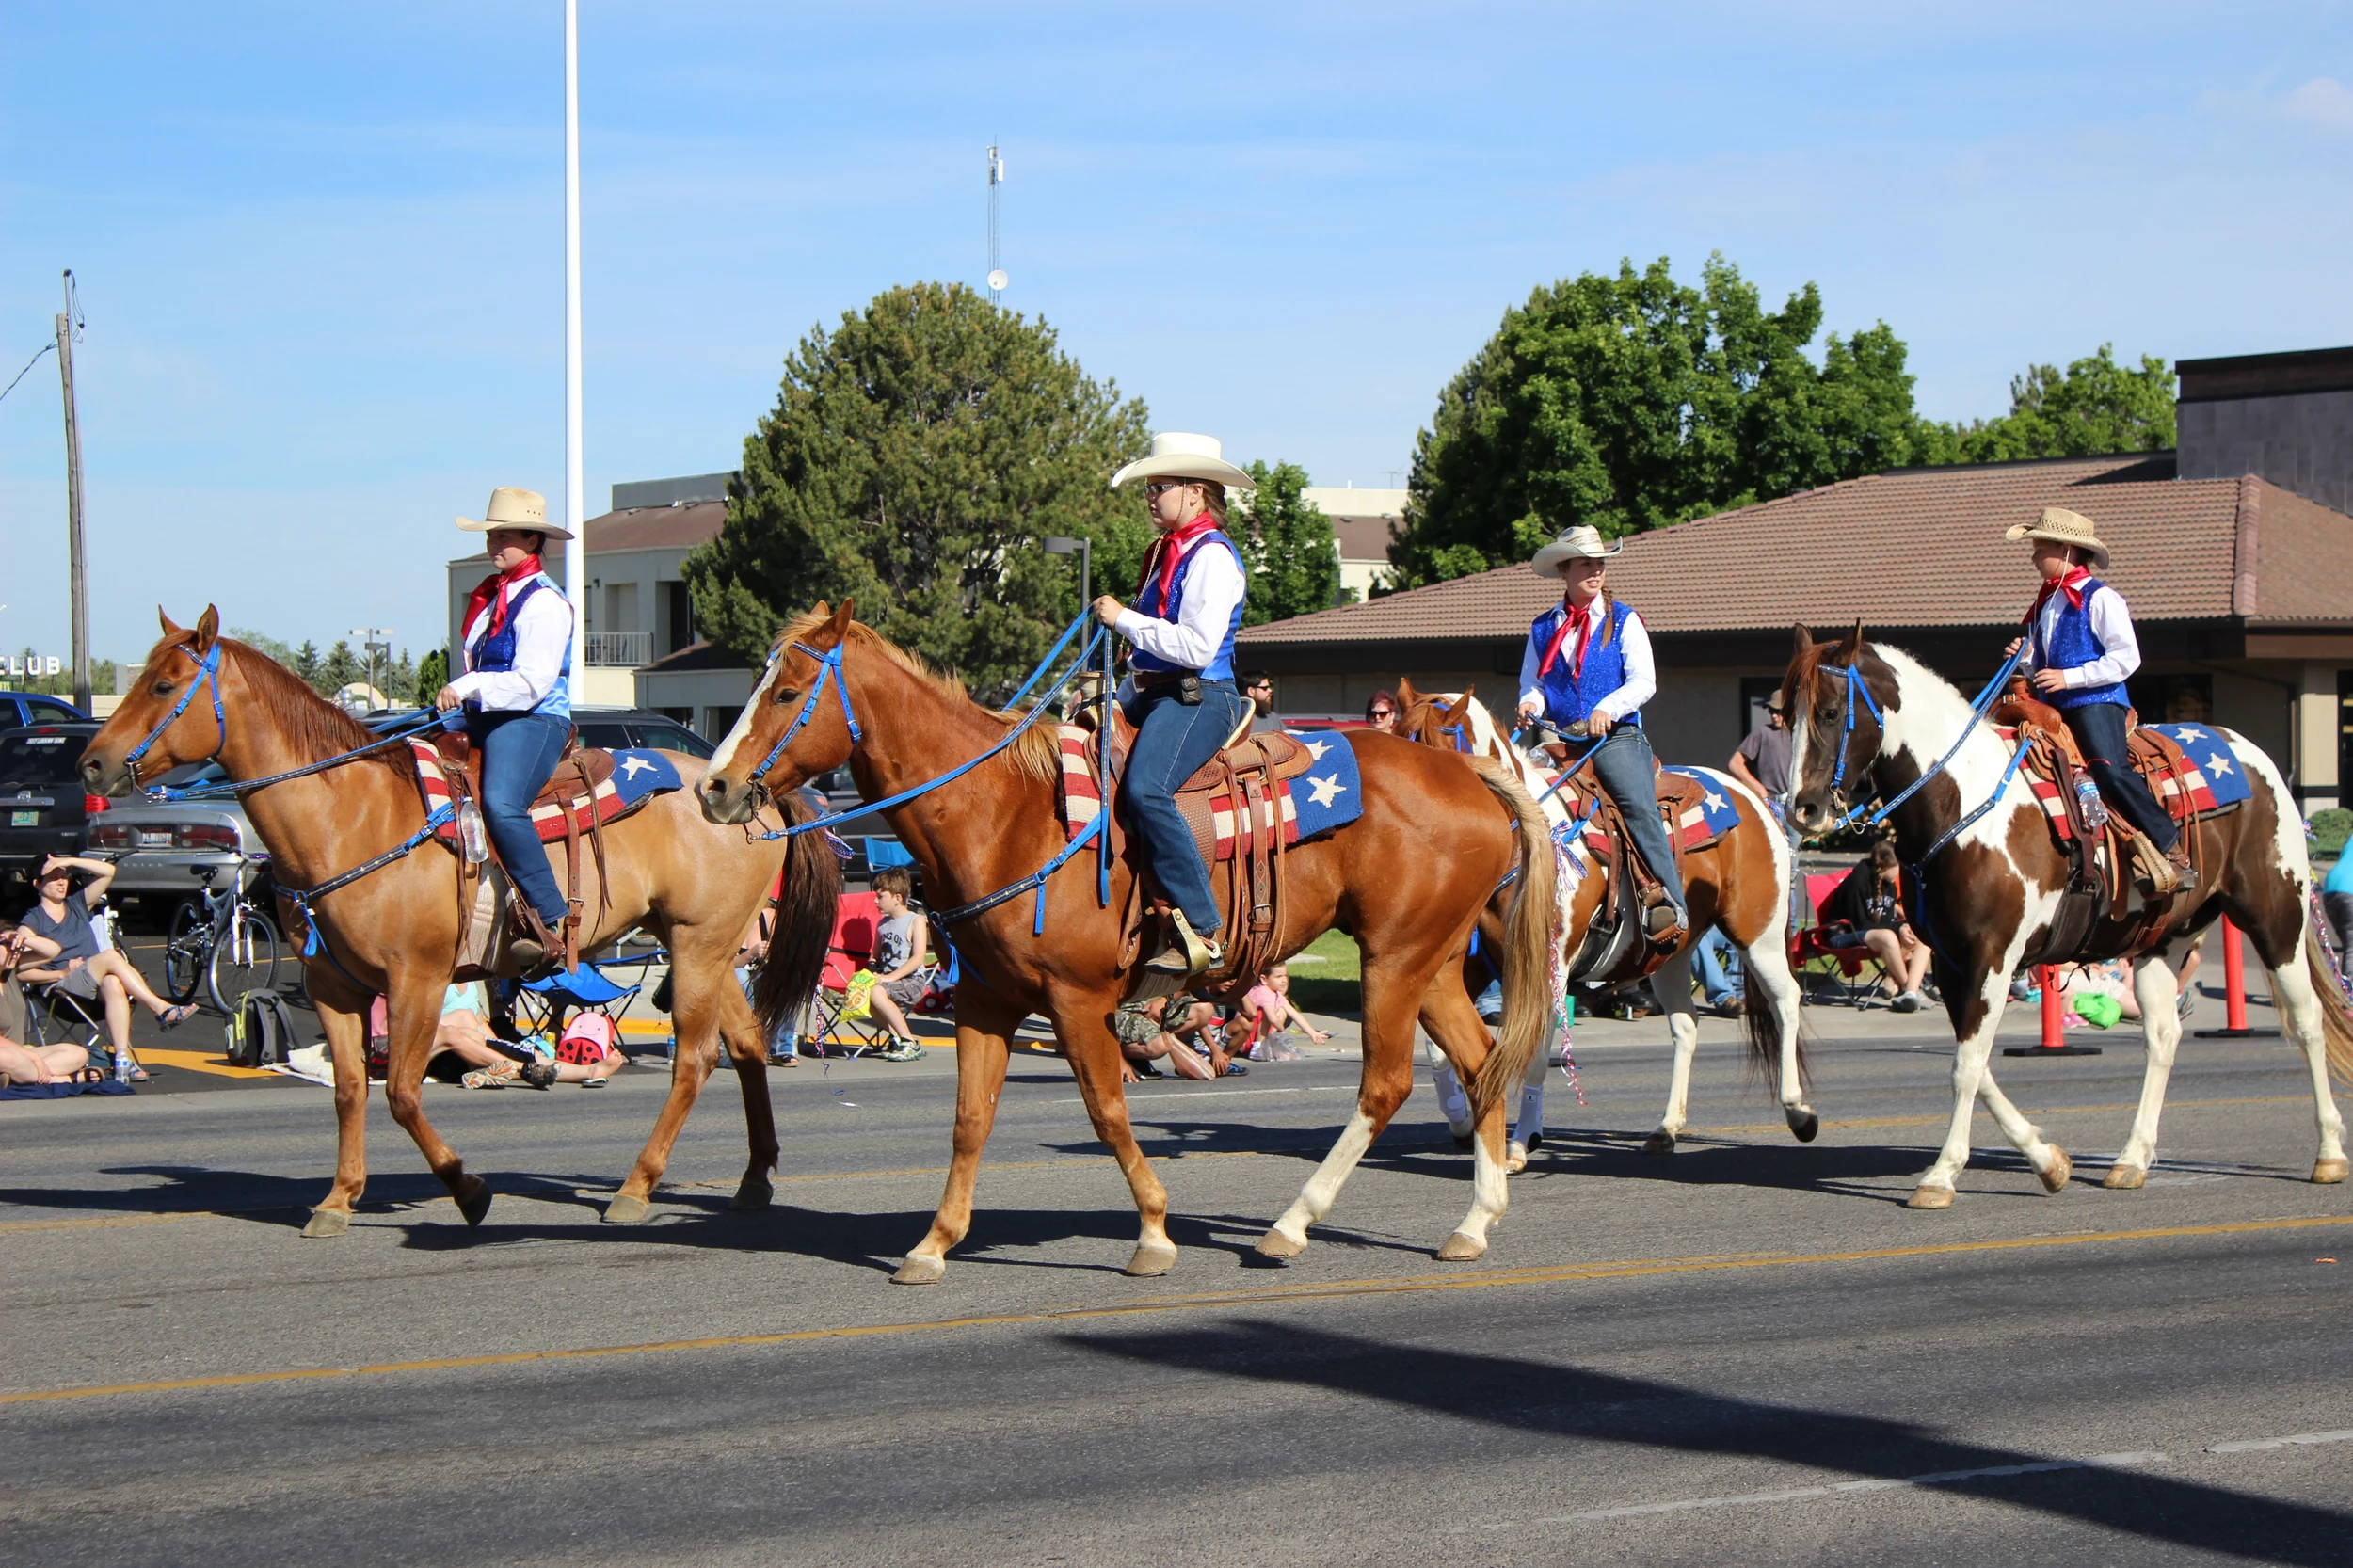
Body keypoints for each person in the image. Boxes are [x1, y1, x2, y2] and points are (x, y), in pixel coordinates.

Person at [1094, 433, 1257, 976]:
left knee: (1145, 787)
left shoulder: (1211, 556)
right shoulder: (1169, 551)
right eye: (1149, 487)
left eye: (1159, 487)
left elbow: (1196, 647)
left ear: (1195, 492)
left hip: (1202, 696)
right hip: (1155, 693)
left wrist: (1123, 619)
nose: (1150, 497)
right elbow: (1148, 654)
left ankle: (1204, 926)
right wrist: (1111, 696)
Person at [2001, 506, 2193, 895]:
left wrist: (2069, 677)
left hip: (2096, 700)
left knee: (2107, 767)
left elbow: (2127, 658)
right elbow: (2046, 661)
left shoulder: (2102, 598)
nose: (2034, 556)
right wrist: (2024, 659)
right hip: (2053, 704)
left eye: (2040, 548)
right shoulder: (2045, 603)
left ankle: (2170, 845)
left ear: (2067, 549)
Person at [1513, 524, 1685, 937]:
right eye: (1586, 564)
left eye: (1600, 564)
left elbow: (1645, 681)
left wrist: (1607, 707)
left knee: (1637, 806)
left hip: (1616, 738)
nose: (1596, 571)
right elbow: (1533, 683)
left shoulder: (1623, 620)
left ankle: (1672, 903)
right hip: (1558, 740)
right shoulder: (1542, 627)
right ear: (1564, 571)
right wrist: (1529, 704)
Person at [438, 486, 578, 970]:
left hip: (534, 718)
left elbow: (533, 683)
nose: (494, 544)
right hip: (488, 714)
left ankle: (548, 915)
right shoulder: (491, 596)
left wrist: (469, 685)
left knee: (501, 801)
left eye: (505, 536)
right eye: (491, 535)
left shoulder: (545, 603)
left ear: (533, 540)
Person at [18, 856, 192, 1081]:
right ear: (37, 884)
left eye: (64, 877)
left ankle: (122, 1059)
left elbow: (108, 871)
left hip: (95, 991)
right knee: (110, 956)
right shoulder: (32, 921)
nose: (62, 882)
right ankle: (161, 1009)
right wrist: (61, 973)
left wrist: (69, 861)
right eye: (53, 878)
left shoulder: (76, 904)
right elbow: (21, 971)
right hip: (62, 994)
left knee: (112, 982)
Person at [1821, 841, 1932, 1011]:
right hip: (1842, 935)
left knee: (1921, 936)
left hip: (1872, 935)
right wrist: (1897, 929)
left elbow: (1885, 921)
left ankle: (1911, 992)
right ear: (1886, 866)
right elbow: (1860, 924)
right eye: (1899, 867)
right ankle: (1907, 988)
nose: (1900, 872)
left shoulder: (1889, 885)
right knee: (1888, 937)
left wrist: (1903, 929)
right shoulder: (1857, 881)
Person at [863, 866, 934, 1063]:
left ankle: (908, 1041)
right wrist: (871, 967)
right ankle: (897, 1037)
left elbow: (918, 957)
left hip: (912, 981)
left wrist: (889, 978)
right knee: (862, 994)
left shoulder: (915, 920)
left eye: (881, 896)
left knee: (876, 992)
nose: (876, 901)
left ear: (898, 898)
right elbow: (874, 955)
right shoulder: (882, 924)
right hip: (886, 982)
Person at [1231, 963, 1331, 1056]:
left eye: (1285, 976)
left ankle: (1268, 1044)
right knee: (1269, 1013)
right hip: (1243, 1040)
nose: (1284, 980)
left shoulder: (1275, 993)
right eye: (1278, 977)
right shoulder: (1263, 993)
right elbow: (1272, 1018)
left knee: (1282, 1010)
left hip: (1251, 1035)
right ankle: (1258, 1048)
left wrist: (1312, 1033)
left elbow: (1294, 1014)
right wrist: (1281, 1030)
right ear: (1264, 979)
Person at [1727, 695, 1791, 815]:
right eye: (1771, 711)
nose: (1774, 715)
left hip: (1795, 806)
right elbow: (1735, 764)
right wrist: (1759, 788)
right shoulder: (1762, 733)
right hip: (1770, 804)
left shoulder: (1800, 735)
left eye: (1778, 711)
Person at [1240, 670, 1282, 736]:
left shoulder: (1273, 718)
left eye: (1269, 687)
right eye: (1265, 688)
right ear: (1251, 691)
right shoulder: (1237, 720)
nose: (1270, 690)